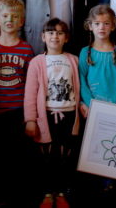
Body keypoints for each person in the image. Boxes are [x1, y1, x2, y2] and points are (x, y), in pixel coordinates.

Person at [0, 0, 34, 207]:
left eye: (14, 17)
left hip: (18, 112)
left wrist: (29, 116)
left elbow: (31, 86)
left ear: (21, 21)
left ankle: (16, 199)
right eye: (5, 16)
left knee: (17, 159)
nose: (9, 20)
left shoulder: (27, 50)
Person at [24, 19, 81, 208]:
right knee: (47, 157)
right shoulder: (37, 62)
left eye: (59, 33)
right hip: (46, 116)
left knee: (66, 156)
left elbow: (79, 88)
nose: (54, 36)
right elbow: (31, 93)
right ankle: (48, 194)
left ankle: (62, 192)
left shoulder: (73, 60)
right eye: (50, 33)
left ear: (66, 38)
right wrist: (30, 120)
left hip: (70, 115)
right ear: (43, 37)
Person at [78, 4, 116, 118]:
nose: (101, 27)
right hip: (91, 110)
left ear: (113, 26)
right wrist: (90, 105)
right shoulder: (85, 52)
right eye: (97, 23)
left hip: (115, 109)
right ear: (90, 26)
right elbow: (82, 81)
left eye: (106, 23)